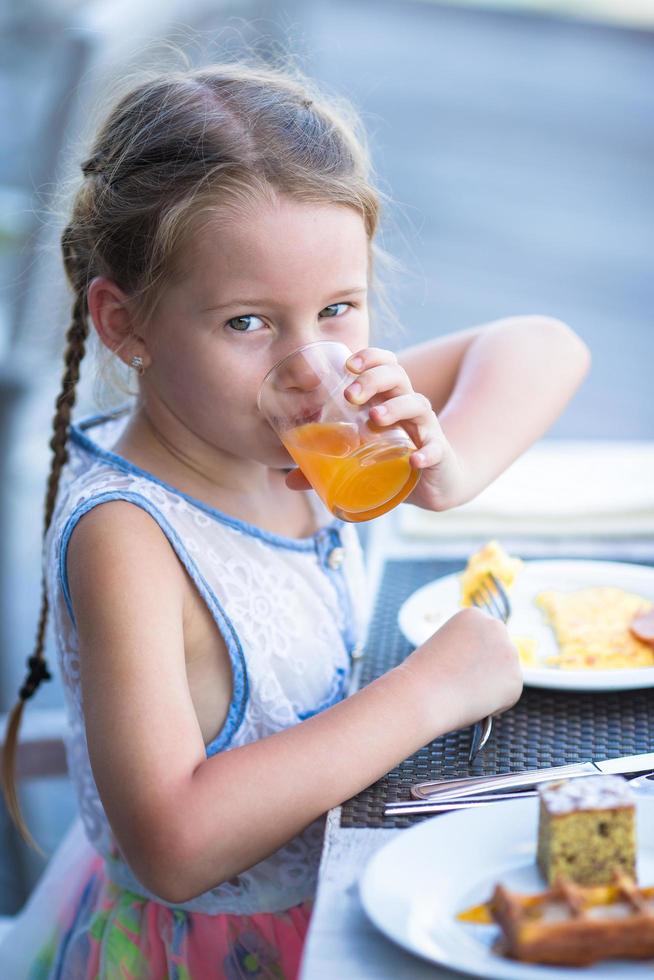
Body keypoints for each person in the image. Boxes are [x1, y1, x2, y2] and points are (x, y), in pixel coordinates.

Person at [0, 60, 590, 979]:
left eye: (338, 309)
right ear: (125, 324)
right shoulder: (128, 537)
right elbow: (176, 842)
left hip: (356, 886)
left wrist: (449, 468)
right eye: (247, 323)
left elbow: (544, 345)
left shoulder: (310, 428)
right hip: (223, 951)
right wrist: (428, 692)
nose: (310, 366)